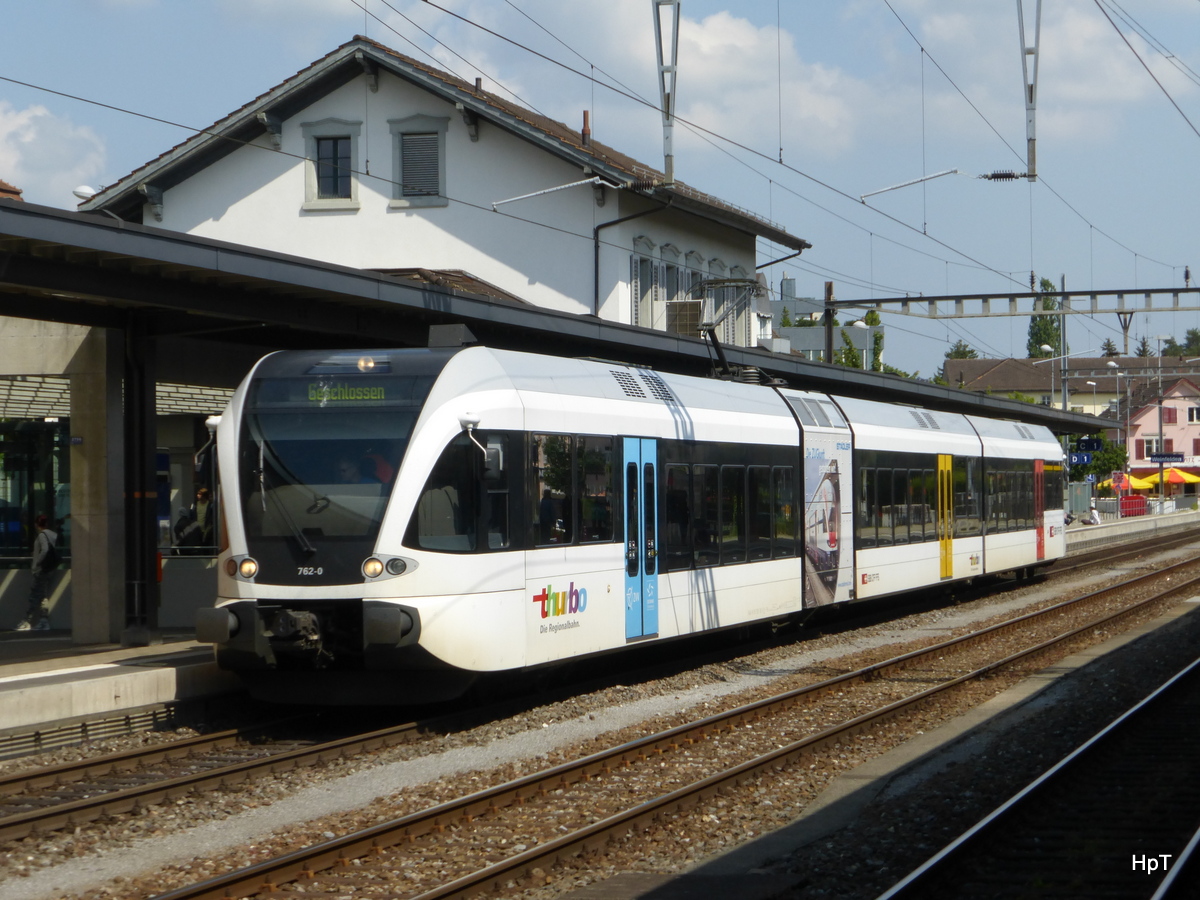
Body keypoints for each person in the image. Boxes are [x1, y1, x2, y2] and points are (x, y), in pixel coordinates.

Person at [17, 514, 57, 631]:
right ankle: (43, 621)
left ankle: (27, 620)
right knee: (43, 595)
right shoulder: (52, 535)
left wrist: (37, 562)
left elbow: (44, 550)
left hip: (41, 570)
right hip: (49, 569)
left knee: (35, 595)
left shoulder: (42, 536)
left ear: (36, 524)